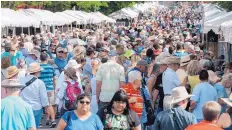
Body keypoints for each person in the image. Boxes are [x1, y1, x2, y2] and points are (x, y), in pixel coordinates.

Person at [20, 62, 50, 128]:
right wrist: (46, 108)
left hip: (23, 107)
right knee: (34, 127)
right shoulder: (40, 83)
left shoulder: (21, 80)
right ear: (37, 72)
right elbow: (44, 98)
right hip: (36, 108)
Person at [39, 53, 57, 126]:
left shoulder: (38, 67)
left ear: (40, 59)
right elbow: (54, 79)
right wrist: (55, 88)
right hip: (50, 88)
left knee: (40, 105)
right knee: (50, 105)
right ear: (47, 59)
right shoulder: (51, 67)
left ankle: (42, 120)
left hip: (41, 88)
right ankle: (52, 120)